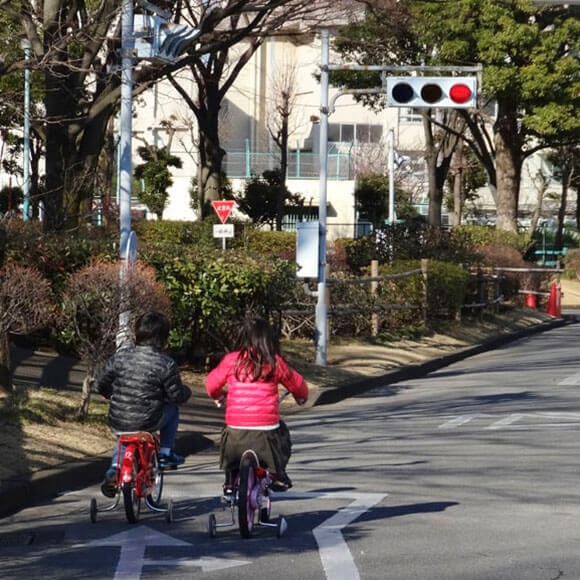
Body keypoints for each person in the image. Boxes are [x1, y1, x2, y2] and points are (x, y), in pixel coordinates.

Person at [205, 317, 308, 494]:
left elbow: (211, 383)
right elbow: (297, 384)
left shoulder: (232, 360)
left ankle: (230, 482)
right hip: (266, 430)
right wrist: (301, 397)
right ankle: (277, 472)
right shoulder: (274, 362)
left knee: (228, 437)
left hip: (236, 427)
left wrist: (219, 396)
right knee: (282, 434)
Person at [96, 311, 191, 497]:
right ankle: (165, 452)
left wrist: (109, 394)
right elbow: (176, 395)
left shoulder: (120, 356)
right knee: (172, 409)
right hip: (149, 420)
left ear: (137, 333)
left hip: (119, 418)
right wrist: (187, 392)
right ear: (163, 338)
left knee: (125, 433)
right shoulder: (166, 363)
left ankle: (115, 467)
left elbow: (101, 381)